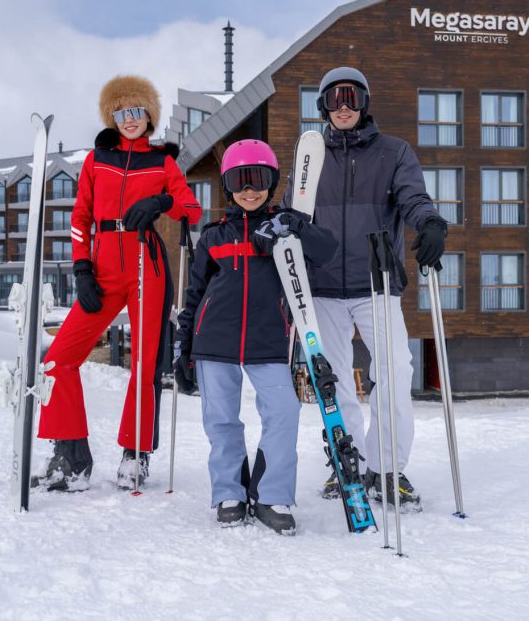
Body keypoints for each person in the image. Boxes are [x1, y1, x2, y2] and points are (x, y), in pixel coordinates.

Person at [281, 66, 447, 511]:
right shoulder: (310, 157)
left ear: (365, 102)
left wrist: (429, 222)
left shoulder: (393, 152)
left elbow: (413, 198)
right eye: (334, 98)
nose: (343, 107)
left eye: (352, 97)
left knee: (395, 372)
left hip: (376, 281)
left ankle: (386, 468)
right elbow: (292, 213)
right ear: (323, 106)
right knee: (332, 380)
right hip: (321, 287)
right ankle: (347, 459)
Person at [38, 74, 203, 492]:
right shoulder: (97, 160)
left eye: (137, 111)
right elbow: (80, 216)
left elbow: (192, 209)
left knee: (145, 365)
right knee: (58, 358)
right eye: (121, 112)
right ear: (112, 117)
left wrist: (162, 200)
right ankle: (71, 458)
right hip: (102, 267)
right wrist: (81, 269)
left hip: (148, 266)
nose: (130, 119)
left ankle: (135, 454)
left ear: (149, 115)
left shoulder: (162, 162)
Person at [174, 139, 335, 535]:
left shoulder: (284, 229)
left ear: (271, 182)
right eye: (239, 181)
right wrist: (184, 348)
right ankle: (229, 492)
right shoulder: (213, 237)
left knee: (284, 412)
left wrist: (295, 226)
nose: (249, 189)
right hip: (215, 342)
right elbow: (194, 295)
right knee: (221, 420)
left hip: (269, 341)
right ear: (228, 186)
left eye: (258, 179)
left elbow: (327, 251)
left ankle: (270, 494)